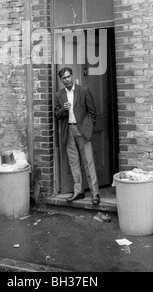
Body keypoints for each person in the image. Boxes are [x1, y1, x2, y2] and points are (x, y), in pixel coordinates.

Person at [54, 67, 100, 205]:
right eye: (64, 78)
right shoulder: (59, 95)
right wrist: (64, 109)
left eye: (68, 77)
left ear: (72, 77)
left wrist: (89, 129)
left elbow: (93, 112)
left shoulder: (83, 90)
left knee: (88, 162)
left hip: (82, 131)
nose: (67, 80)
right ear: (61, 80)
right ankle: (78, 191)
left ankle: (95, 193)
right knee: (73, 162)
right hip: (68, 131)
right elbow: (56, 114)